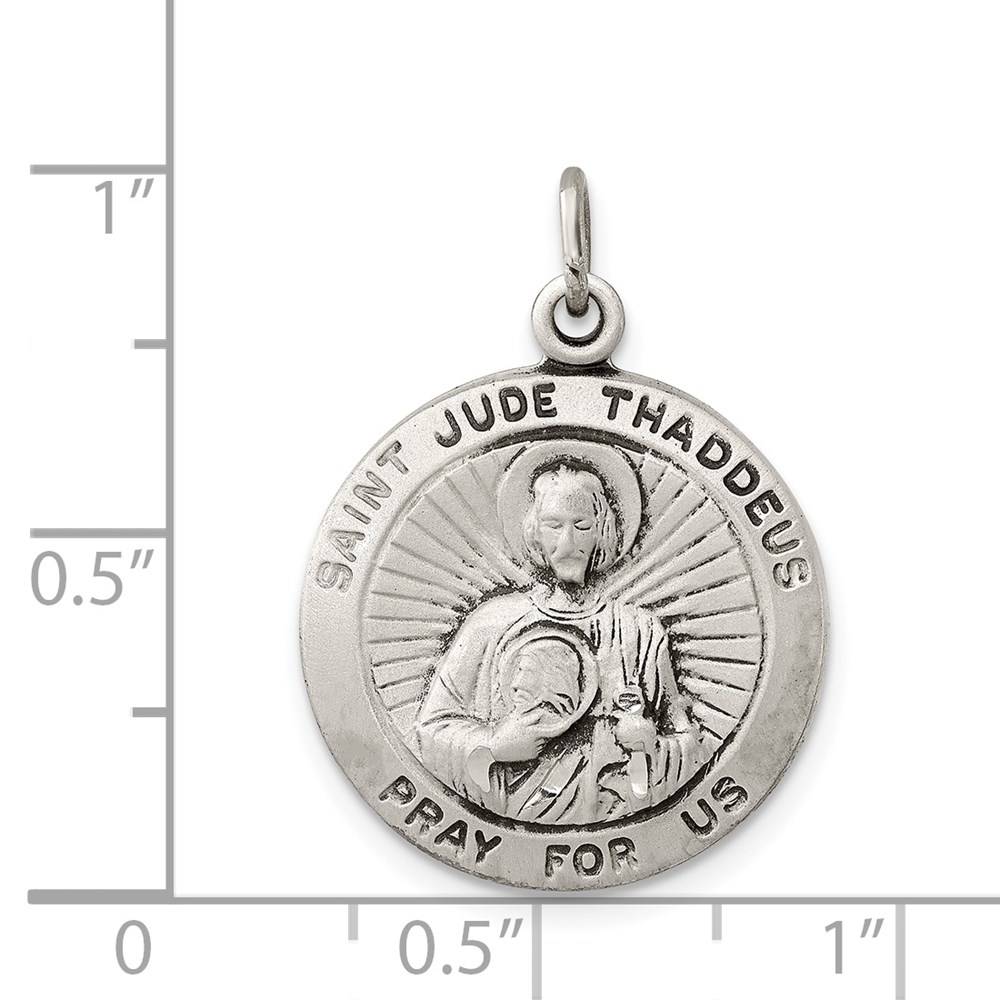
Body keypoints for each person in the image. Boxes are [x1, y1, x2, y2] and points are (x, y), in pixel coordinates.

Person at [415, 453, 704, 824]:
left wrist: (647, 747)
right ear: (534, 531)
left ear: (603, 530)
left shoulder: (639, 631)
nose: (567, 543)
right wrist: (494, 747)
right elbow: (430, 732)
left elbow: (687, 744)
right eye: (553, 525)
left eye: (581, 526)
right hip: (515, 813)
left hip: (613, 814)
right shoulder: (491, 623)